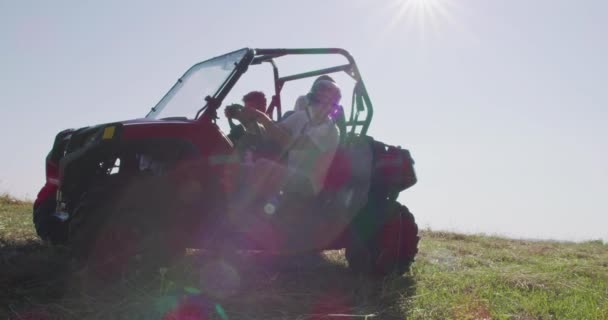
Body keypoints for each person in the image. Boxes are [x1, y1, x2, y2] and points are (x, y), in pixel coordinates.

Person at [225, 79, 341, 197]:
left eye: (325, 103)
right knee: (239, 166)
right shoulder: (301, 116)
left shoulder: (330, 129)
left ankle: (237, 212)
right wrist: (244, 119)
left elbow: (292, 144)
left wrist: (261, 117)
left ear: (332, 107)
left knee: (263, 166)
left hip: (309, 183)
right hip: (288, 172)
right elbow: (269, 134)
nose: (319, 107)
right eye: (317, 101)